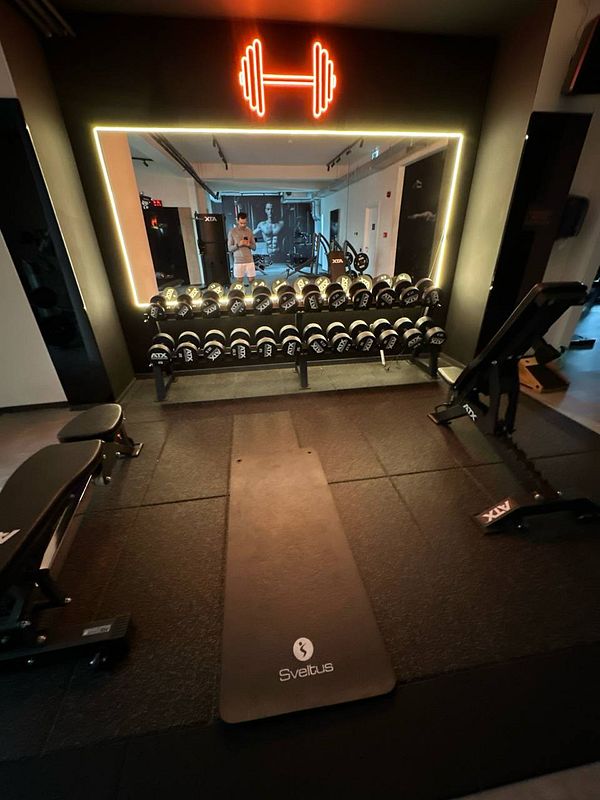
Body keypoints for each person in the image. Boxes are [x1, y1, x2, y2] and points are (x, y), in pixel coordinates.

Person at [227, 211, 257, 284]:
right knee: (239, 282)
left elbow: (254, 247)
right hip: (238, 261)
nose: (243, 225)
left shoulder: (249, 231)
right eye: (241, 223)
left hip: (249, 260)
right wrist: (238, 245)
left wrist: (248, 244)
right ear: (237, 221)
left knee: (252, 281)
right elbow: (229, 248)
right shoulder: (232, 232)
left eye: (244, 223)